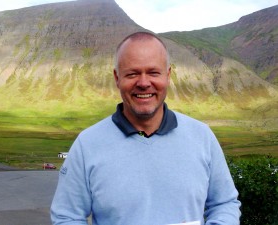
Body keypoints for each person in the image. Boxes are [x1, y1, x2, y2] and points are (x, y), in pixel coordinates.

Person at [51, 31, 241, 225]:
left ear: (168, 75)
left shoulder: (202, 137)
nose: (143, 83)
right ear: (117, 78)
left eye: (153, 72)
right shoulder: (87, 145)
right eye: (132, 73)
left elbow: (224, 204)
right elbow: (67, 217)